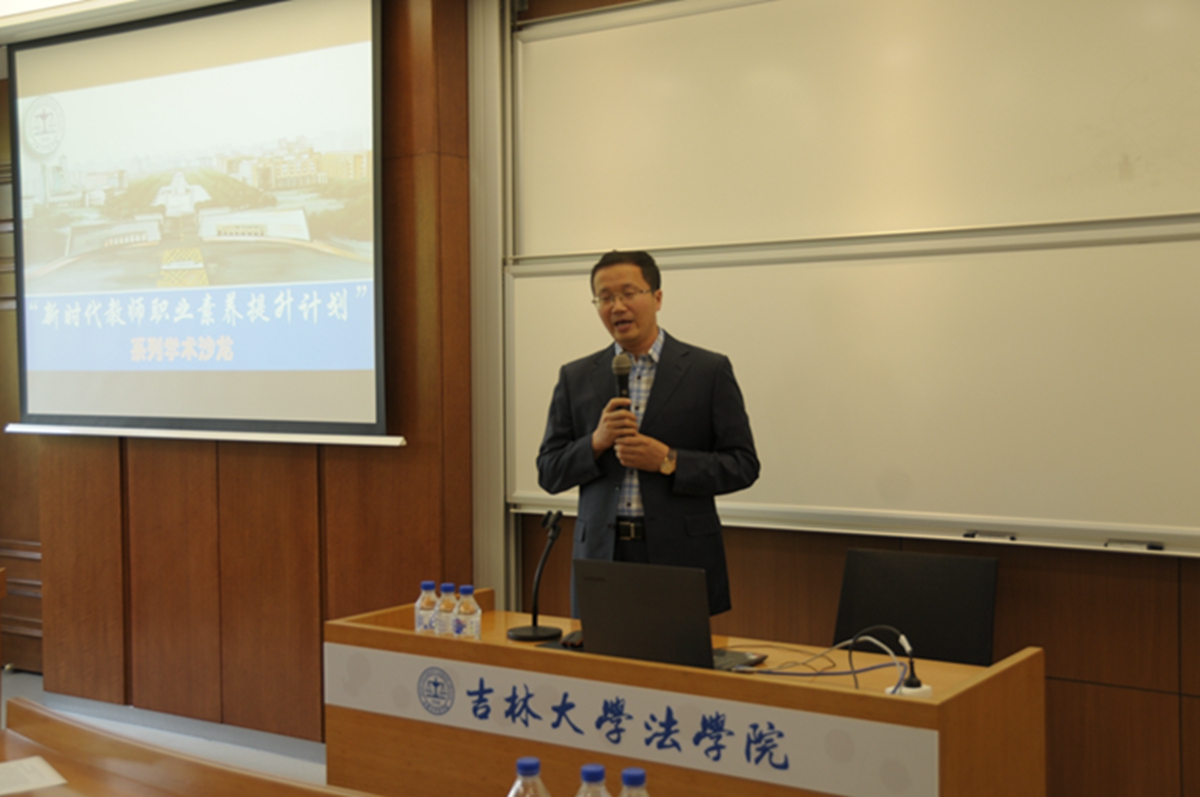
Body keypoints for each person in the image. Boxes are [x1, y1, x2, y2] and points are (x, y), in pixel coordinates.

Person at [536, 250, 759, 616]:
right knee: (601, 654)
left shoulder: (708, 371)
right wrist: (595, 443)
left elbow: (743, 465)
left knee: (676, 654)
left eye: (628, 293)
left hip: (679, 556)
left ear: (657, 298)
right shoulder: (576, 377)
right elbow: (549, 472)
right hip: (602, 557)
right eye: (605, 298)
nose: (617, 307)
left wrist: (669, 460)